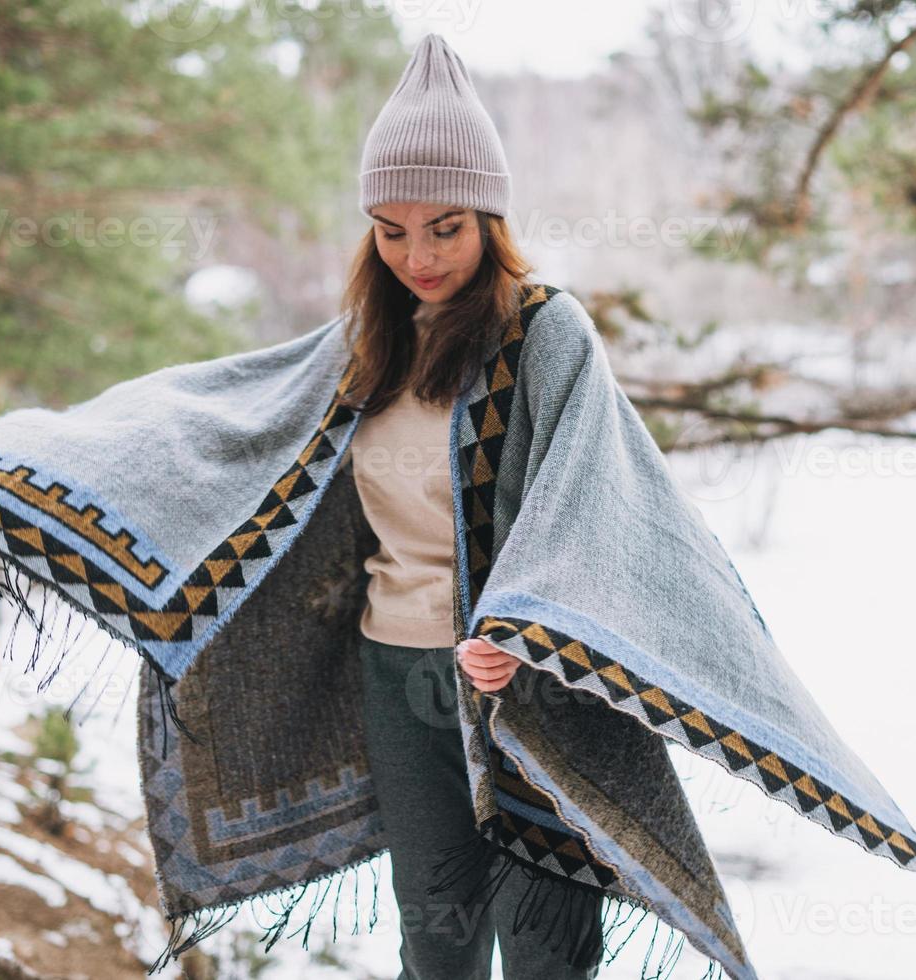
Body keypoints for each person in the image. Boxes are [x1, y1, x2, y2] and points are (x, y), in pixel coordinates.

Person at [340, 32, 604, 980]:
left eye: (445, 226)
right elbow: (206, 436)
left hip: (527, 685)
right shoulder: (364, 345)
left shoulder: (546, 333)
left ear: (489, 216)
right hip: (400, 673)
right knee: (439, 944)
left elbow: (595, 506)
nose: (417, 254)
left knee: (548, 950)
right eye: (391, 228)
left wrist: (524, 628)